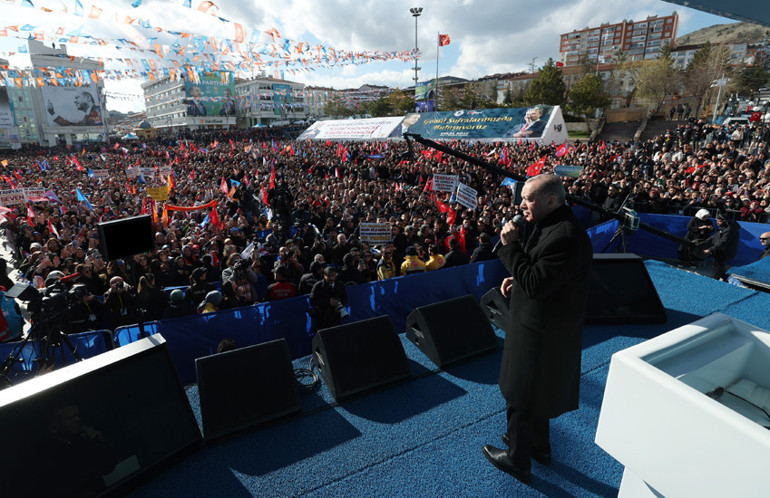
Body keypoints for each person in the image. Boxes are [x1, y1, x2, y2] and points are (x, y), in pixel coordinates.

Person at [482, 174, 593, 485]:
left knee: (521, 393)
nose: (521, 204)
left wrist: (510, 248)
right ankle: (538, 446)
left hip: (540, 332)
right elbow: (542, 274)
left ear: (551, 201)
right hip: (543, 325)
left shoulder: (564, 236)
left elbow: (535, 283)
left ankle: (518, 459)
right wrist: (517, 276)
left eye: (528, 199)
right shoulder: (553, 225)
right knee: (538, 391)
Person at [703, 213, 740, 281]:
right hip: (720, 250)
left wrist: (710, 249)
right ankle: (726, 278)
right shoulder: (723, 227)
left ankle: (714, 280)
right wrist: (704, 242)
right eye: (717, 221)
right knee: (718, 265)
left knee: (718, 265)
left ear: (725, 221)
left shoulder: (730, 229)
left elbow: (723, 242)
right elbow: (715, 236)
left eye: (719, 221)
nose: (717, 222)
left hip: (725, 251)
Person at [309, 266, 348, 330]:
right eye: (329, 276)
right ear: (324, 276)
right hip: (322, 318)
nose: (331, 278)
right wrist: (328, 302)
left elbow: (344, 297)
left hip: (335, 317)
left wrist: (341, 306)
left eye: (333, 275)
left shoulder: (340, 285)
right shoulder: (318, 286)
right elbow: (312, 300)